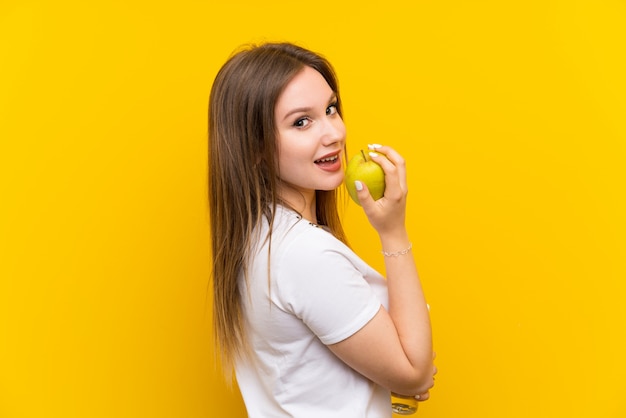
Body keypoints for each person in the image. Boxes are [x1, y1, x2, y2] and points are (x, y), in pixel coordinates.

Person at [208, 42, 436, 417]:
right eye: (301, 121)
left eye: (331, 109)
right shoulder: (304, 254)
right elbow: (414, 372)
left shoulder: (258, 238)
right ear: (256, 147)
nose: (333, 133)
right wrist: (393, 231)